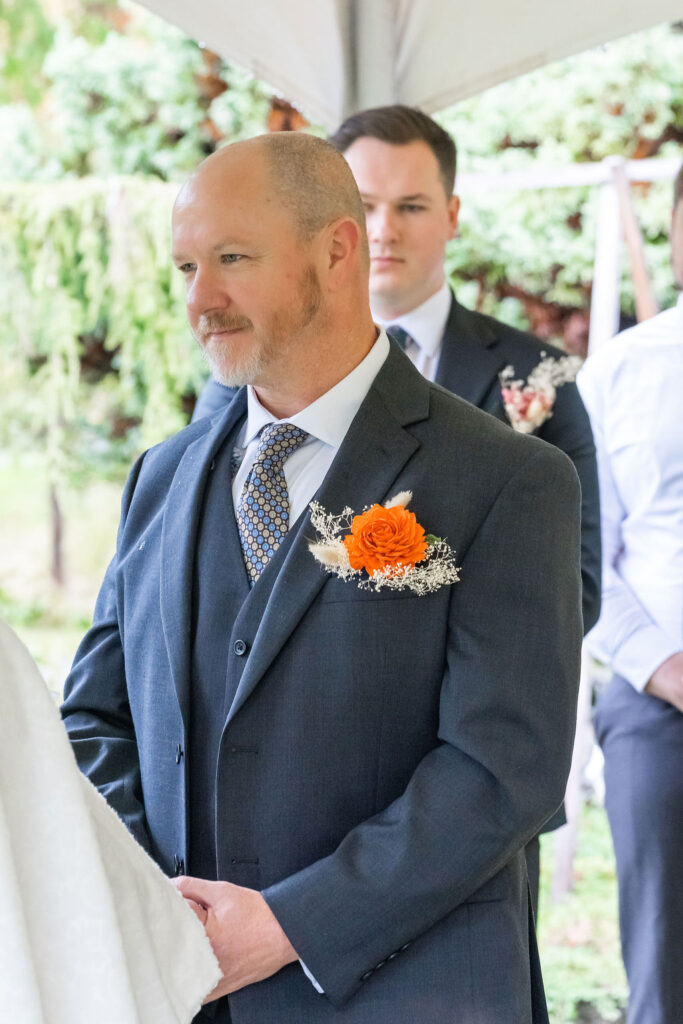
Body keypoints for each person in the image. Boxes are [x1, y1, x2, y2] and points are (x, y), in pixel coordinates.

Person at [62, 132, 583, 1023]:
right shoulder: (162, 475)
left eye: (232, 259)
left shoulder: (506, 479)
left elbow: (504, 770)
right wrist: (163, 906)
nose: (201, 300)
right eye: (187, 265)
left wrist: (290, 924)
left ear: (336, 250)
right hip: (183, 993)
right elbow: (95, 717)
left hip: (406, 993)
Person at [193, 106, 601, 911]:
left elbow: (571, 579)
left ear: (450, 215)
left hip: (457, 806)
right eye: (363, 202)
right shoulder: (245, 370)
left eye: (409, 206)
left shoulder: (536, 374)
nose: (383, 228)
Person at [577, 163, 683, 1024]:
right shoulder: (618, 372)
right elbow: (581, 556)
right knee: (663, 960)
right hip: (658, 704)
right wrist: (664, 668)